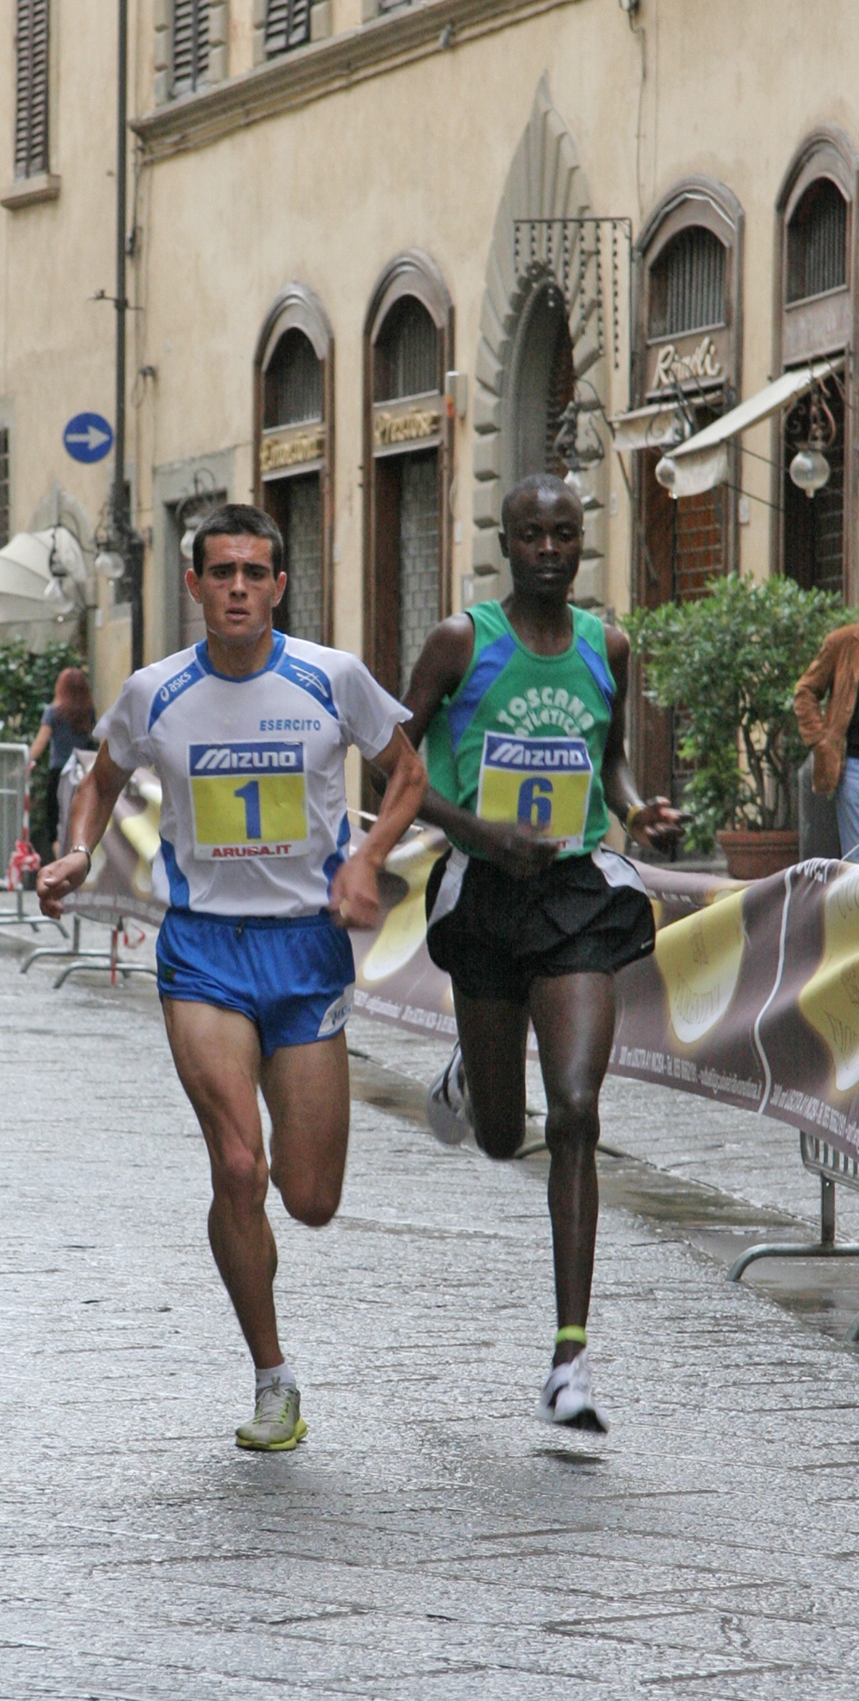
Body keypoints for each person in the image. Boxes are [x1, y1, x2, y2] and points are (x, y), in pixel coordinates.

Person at [38, 503, 426, 1450]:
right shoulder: (155, 690)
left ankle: (261, 1250)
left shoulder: (331, 678)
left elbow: (407, 774)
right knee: (238, 1165)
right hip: (205, 948)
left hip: (304, 950)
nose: (240, 588)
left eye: (256, 572)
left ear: (280, 585)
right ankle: (272, 1374)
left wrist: (368, 857)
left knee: (311, 1197)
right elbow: (99, 778)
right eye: (223, 573)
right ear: (196, 585)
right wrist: (78, 852)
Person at [401, 474, 681, 1432]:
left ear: (581, 540)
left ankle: (571, 1357)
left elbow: (609, 761)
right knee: (500, 1134)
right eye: (533, 535)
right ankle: (470, 1081)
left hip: (574, 895)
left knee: (575, 1109)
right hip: (484, 895)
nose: (551, 550)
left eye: (566, 534)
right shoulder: (459, 642)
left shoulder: (609, 645)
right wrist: (475, 829)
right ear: (506, 542)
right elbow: (392, 764)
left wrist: (640, 808)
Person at [793, 620, 859, 861]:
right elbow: (805, 691)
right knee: (856, 868)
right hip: (853, 767)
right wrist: (820, 739)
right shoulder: (843, 642)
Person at [29, 667, 97, 859]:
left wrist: (24, 763)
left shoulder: (53, 712)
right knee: (79, 822)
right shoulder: (88, 711)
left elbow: (40, 743)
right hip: (81, 772)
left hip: (58, 772)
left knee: (56, 824)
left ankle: (62, 865)